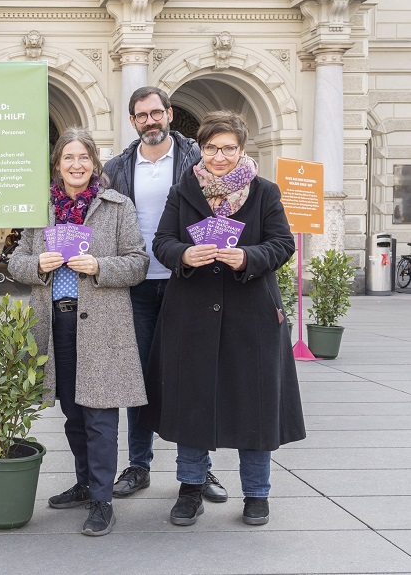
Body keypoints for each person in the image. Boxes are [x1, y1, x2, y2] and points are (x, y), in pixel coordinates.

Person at [139, 110, 306, 527]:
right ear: (201, 147)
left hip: (251, 316)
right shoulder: (184, 190)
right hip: (192, 315)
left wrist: (249, 256)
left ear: (242, 149)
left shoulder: (264, 191)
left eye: (229, 148)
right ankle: (190, 489)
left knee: (255, 406)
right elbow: (162, 242)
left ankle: (256, 494)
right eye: (212, 147)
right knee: (193, 405)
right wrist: (184, 255)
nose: (219, 156)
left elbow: (282, 244)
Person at [9, 127, 149, 536]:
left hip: (103, 325)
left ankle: (103, 501)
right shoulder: (40, 209)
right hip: (54, 324)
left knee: (100, 414)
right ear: (58, 164)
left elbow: (138, 263)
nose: (76, 165)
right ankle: (86, 482)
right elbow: (15, 261)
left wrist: (100, 267)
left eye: (83, 158)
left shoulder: (117, 206)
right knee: (72, 413)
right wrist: (38, 264)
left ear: (94, 164)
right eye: (68, 158)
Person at [102, 86, 228, 503]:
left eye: (156, 113)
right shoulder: (118, 167)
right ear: (133, 121)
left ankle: (199, 470)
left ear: (170, 114)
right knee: (137, 376)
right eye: (141, 116)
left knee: (193, 375)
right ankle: (138, 464)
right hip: (137, 283)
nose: (150, 121)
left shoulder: (196, 156)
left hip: (188, 280)